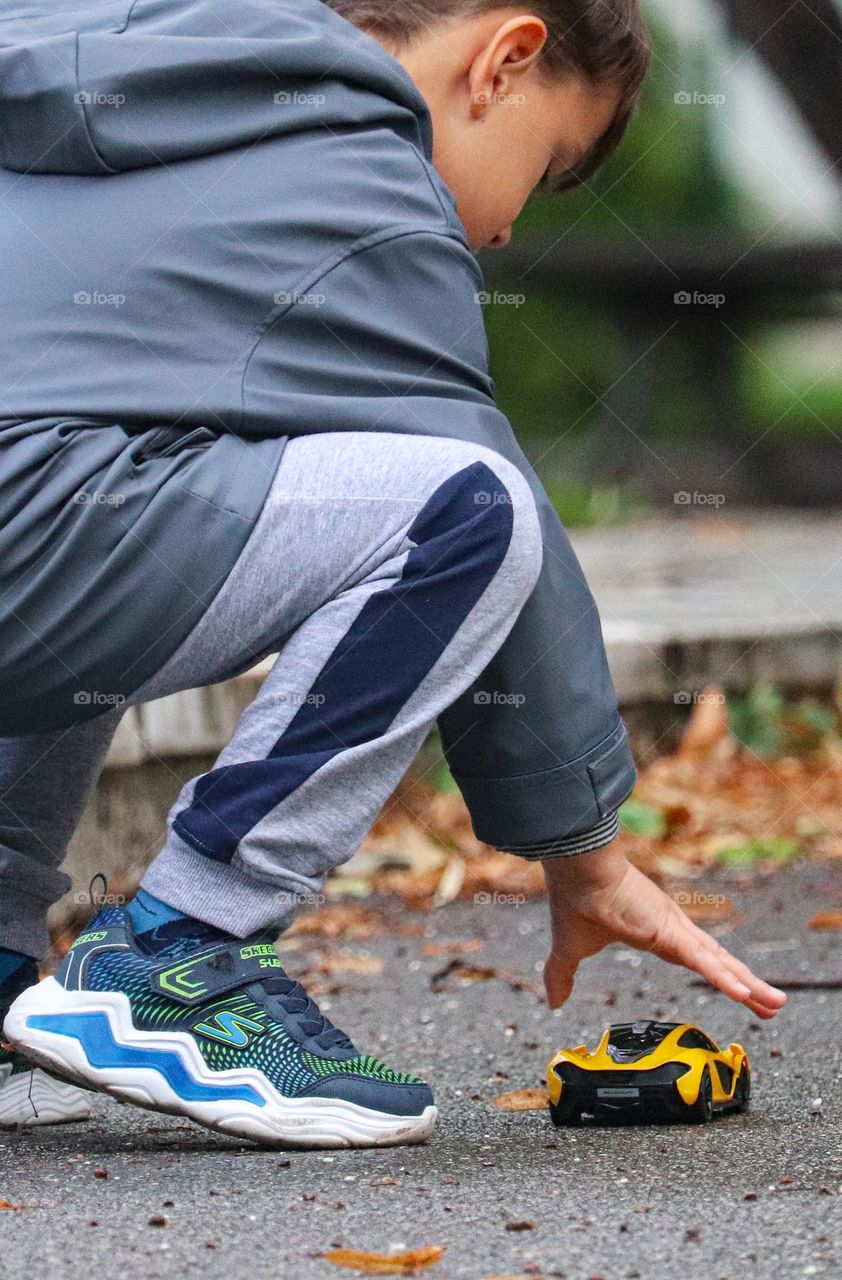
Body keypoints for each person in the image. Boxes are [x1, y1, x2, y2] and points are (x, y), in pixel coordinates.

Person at [0, 0, 785, 1144]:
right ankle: (177, 959)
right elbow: (481, 493)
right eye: (550, 163)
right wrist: (584, 847)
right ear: (504, 62)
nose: (510, 232)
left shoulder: (100, 54)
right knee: (464, 507)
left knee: (108, 476)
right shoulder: (361, 174)